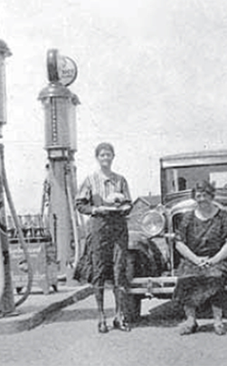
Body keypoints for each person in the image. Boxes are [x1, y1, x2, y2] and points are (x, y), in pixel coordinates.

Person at [74, 142, 132, 333]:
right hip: (99, 227)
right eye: (102, 155)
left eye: (109, 155)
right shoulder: (90, 180)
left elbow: (129, 203)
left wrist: (124, 207)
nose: (106, 158)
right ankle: (101, 317)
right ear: (97, 158)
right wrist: (95, 209)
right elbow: (80, 204)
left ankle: (119, 316)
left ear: (113, 157)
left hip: (118, 227)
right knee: (98, 271)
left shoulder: (120, 180)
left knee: (119, 269)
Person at [173, 180, 227, 336]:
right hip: (193, 259)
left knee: (215, 277)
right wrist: (196, 259)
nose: (201, 199)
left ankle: (218, 321)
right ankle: (191, 321)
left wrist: (214, 260)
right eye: (198, 196)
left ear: (212, 196)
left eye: (205, 195)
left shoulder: (222, 216)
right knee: (186, 277)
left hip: (218, 259)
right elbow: (179, 243)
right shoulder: (188, 217)